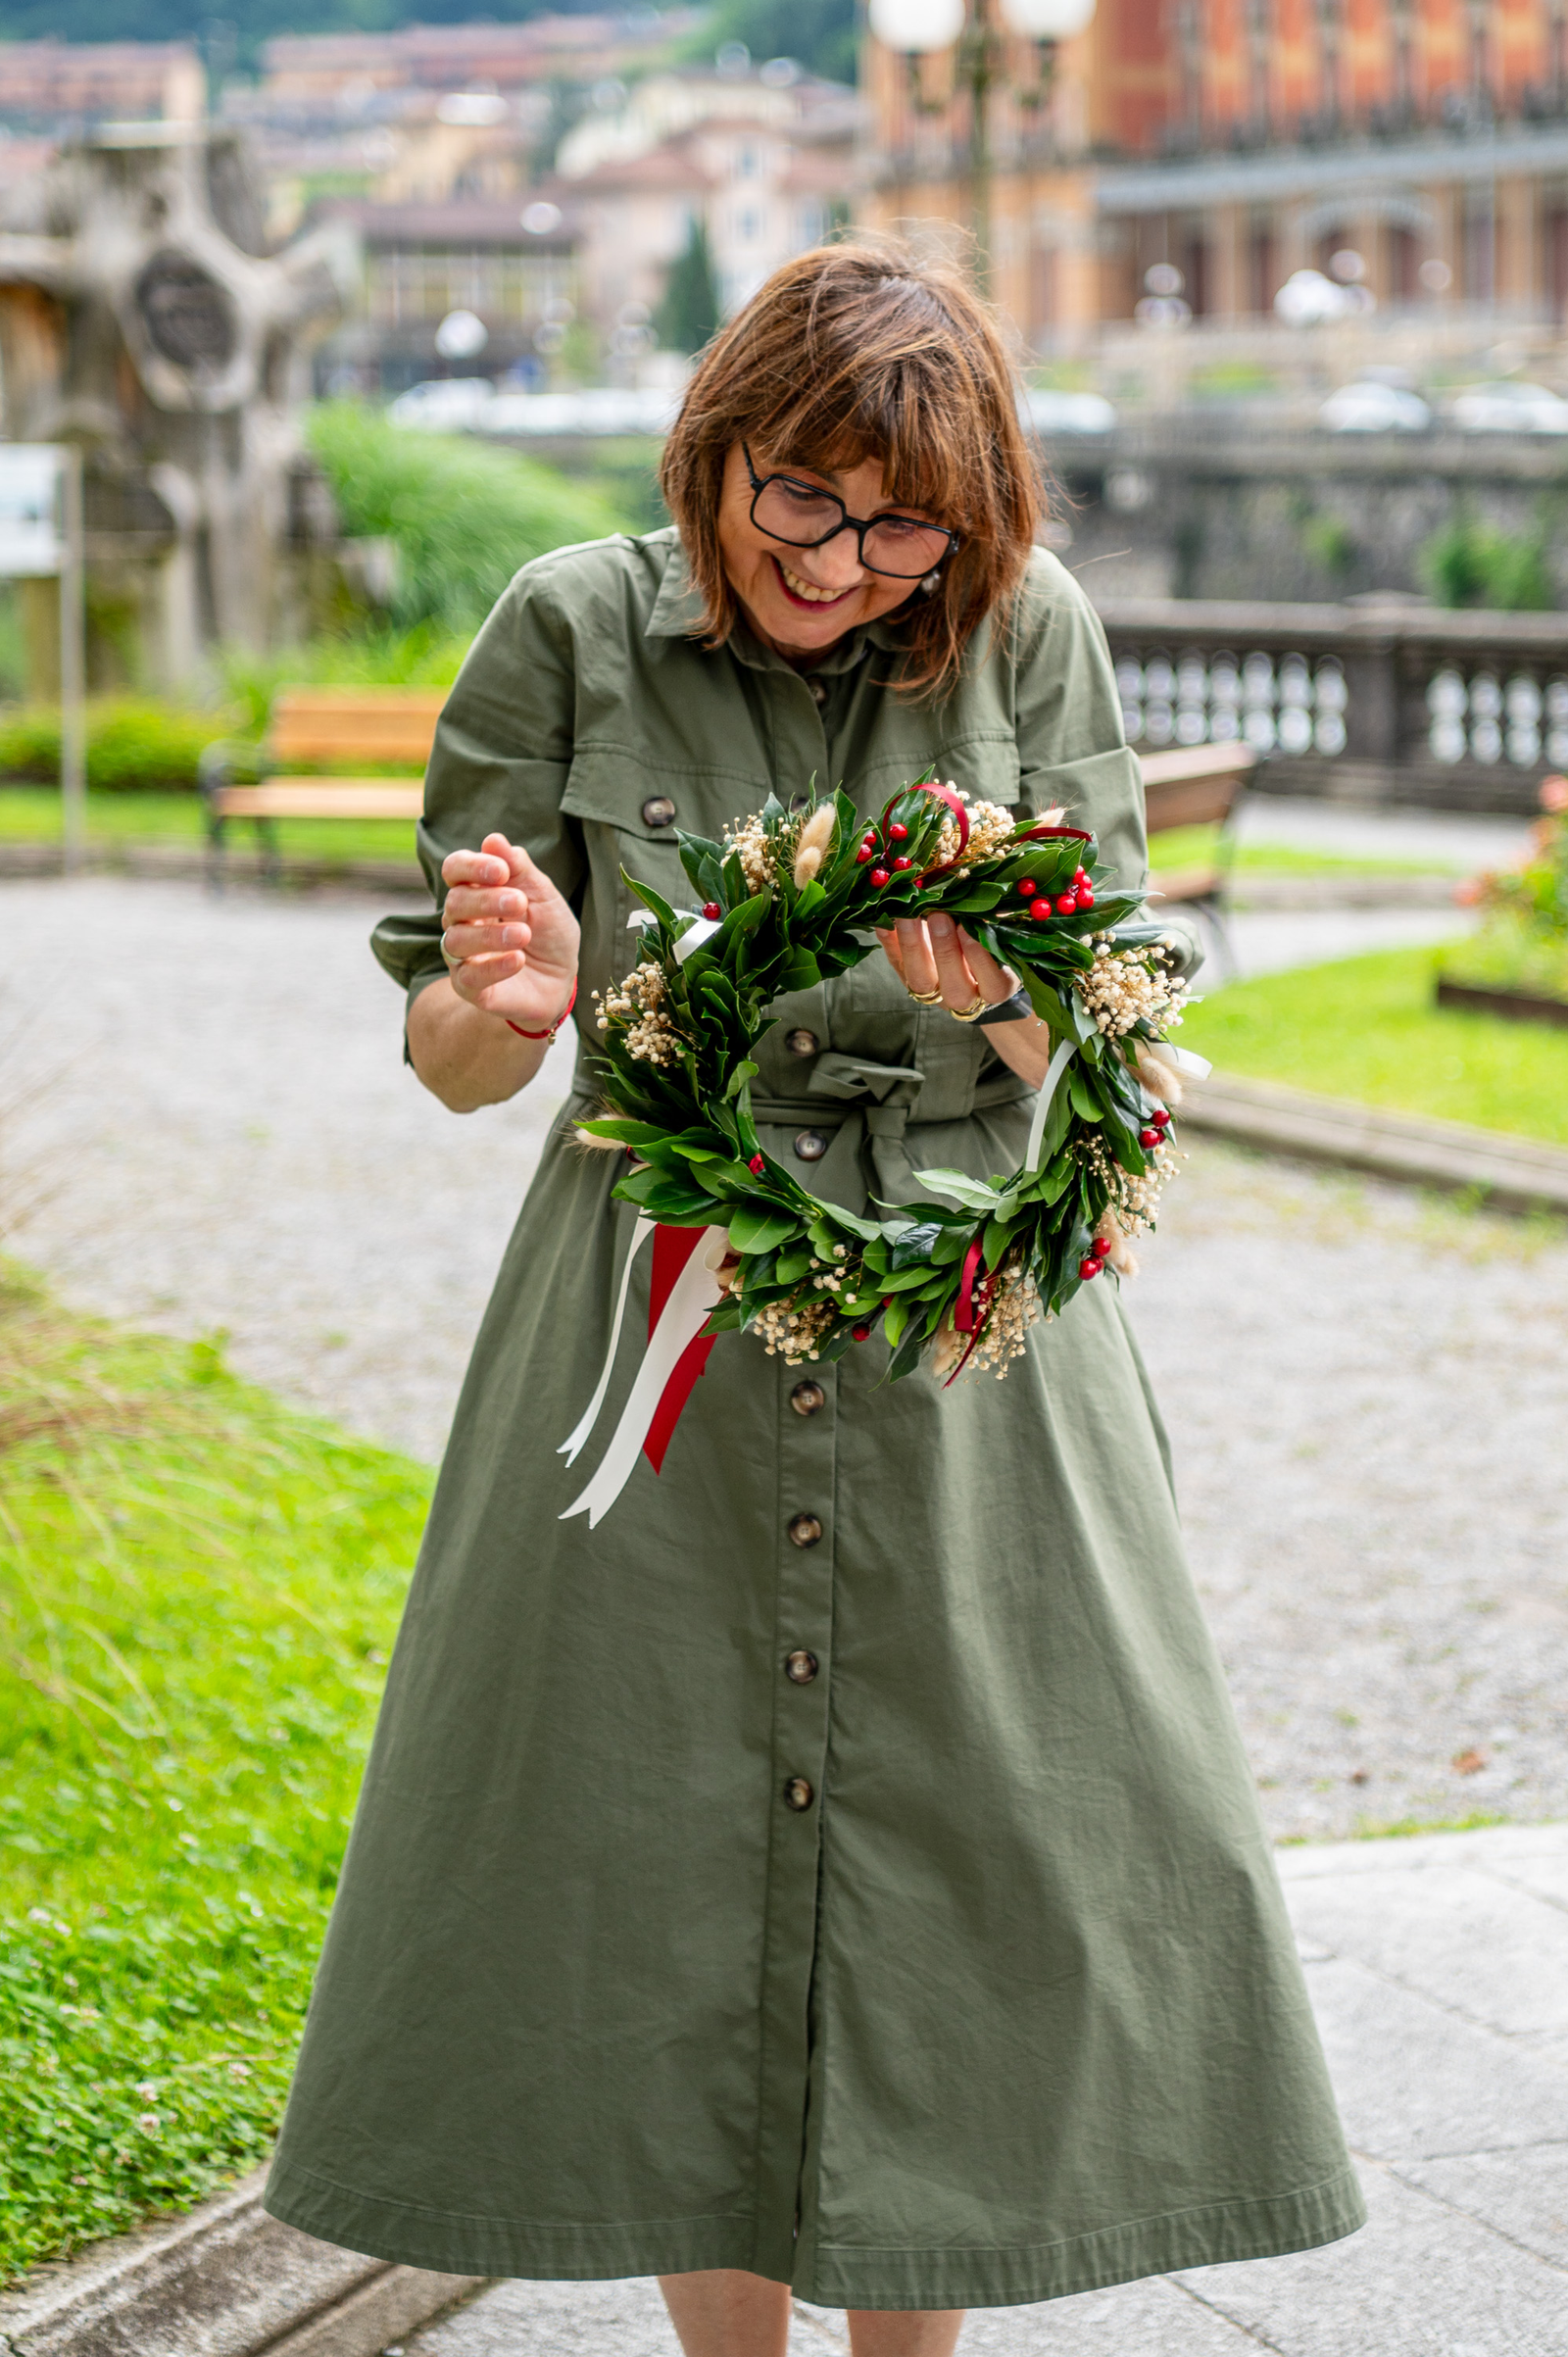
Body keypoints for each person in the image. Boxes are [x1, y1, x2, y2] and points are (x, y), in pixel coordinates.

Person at [265, 242, 1362, 2356]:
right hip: (650, 1307)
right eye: (806, 504)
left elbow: (1119, 1061)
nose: (848, 563)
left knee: (969, 1840)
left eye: (899, 527)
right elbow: (459, 1052)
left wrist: (1020, 997)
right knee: (663, 1841)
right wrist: (515, 1003)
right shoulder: (569, 630)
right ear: (719, 445)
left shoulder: (1024, 633)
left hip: (965, 1303)